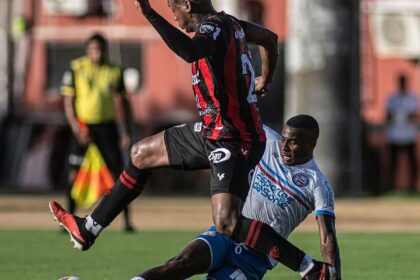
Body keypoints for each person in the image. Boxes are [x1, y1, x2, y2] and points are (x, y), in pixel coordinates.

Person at [49, 0, 311, 273]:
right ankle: (88, 227)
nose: (173, 17)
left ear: (186, 5)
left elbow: (189, 51)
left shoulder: (212, 28)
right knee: (141, 154)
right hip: (212, 130)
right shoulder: (232, 25)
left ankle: (307, 266)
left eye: (173, 10)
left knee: (226, 223)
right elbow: (269, 38)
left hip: (236, 138)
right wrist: (264, 80)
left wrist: (150, 14)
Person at [130, 115, 340, 280]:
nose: (284, 147)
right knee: (179, 264)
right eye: (284, 139)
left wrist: (332, 274)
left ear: (311, 144)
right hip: (228, 232)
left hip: (254, 257)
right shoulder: (266, 140)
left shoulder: (318, 184)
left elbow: (327, 237)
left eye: (292, 143)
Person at [61, 33, 135, 232]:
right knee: (73, 173)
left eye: (100, 49)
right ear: (87, 51)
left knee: (120, 175)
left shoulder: (114, 70)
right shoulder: (76, 68)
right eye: (94, 49)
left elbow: (122, 102)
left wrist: (125, 131)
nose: (97, 53)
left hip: (107, 127)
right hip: (83, 127)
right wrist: (77, 129)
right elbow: (68, 102)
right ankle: (68, 219)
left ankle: (127, 221)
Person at [385, 73, 418, 193]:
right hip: (394, 135)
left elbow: (414, 115)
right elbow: (388, 115)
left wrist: (398, 116)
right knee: (393, 163)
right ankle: (391, 186)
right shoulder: (392, 98)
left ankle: (412, 186)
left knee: (412, 163)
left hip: (408, 135)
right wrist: (403, 116)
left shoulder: (412, 97)